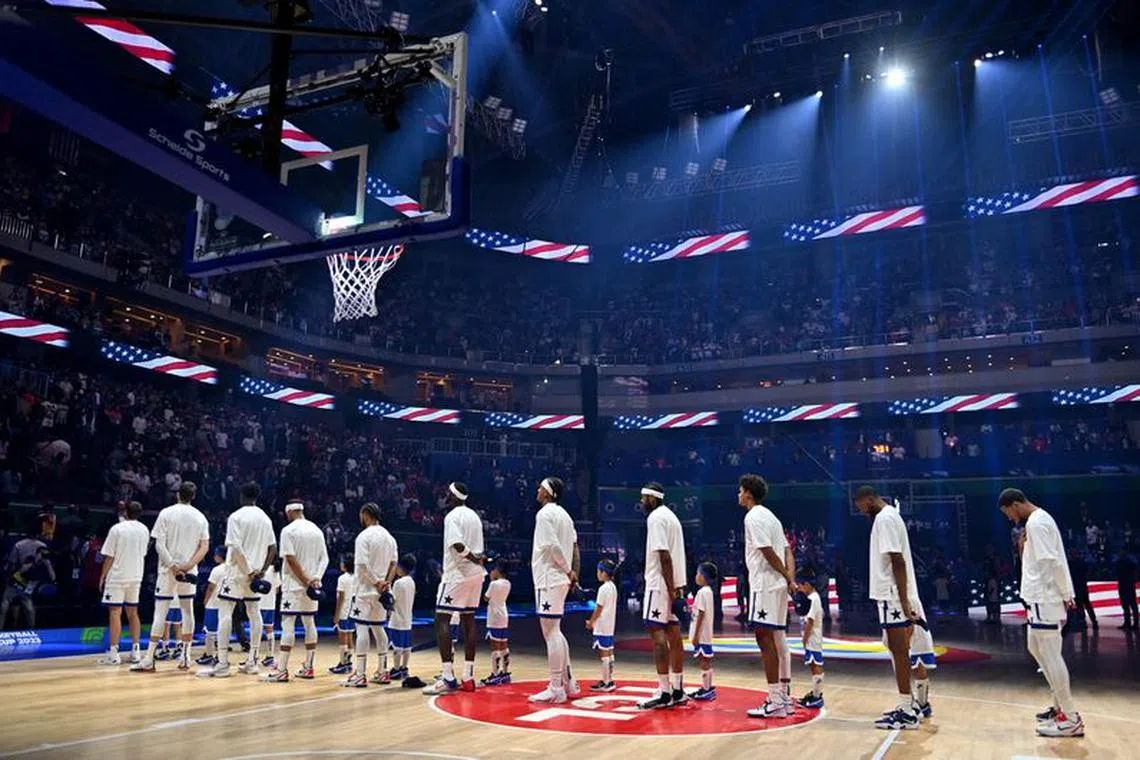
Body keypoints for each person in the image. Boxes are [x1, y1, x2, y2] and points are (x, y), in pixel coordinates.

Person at [999, 489, 1084, 737]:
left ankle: (1070, 717)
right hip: (1039, 598)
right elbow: (1041, 560)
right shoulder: (1038, 522)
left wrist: (1064, 595)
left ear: (1015, 504)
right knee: (1037, 650)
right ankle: (1060, 707)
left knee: (1051, 655)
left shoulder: (1037, 522)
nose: (1010, 518)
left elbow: (1050, 562)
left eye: (1008, 513)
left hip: (1044, 598)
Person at [852, 486, 936, 730]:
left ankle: (907, 709)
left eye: (859, 505)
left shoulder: (885, 518)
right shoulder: (890, 516)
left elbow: (897, 561)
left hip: (894, 595)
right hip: (896, 595)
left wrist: (903, 599)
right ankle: (913, 703)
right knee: (903, 648)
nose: (859, 510)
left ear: (868, 499)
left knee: (900, 651)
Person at [199, 482, 276, 678]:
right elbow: (272, 549)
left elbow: (237, 548)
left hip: (236, 572)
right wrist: (261, 571)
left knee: (225, 613)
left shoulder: (236, 516)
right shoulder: (265, 518)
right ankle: (253, 661)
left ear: (242, 495)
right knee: (254, 612)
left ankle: (223, 663)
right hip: (256, 574)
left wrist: (249, 570)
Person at [132, 481, 209, 672]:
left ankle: (149, 658)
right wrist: (189, 566)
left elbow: (159, 544)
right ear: (194, 496)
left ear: (177, 494)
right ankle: (185, 656)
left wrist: (174, 567)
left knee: (160, 613)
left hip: (168, 571)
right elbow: (204, 547)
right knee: (187, 611)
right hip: (189, 571)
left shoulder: (166, 513)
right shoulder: (200, 517)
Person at [739, 474, 797, 719]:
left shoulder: (753, 516)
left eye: (741, 491)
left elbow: (767, 551)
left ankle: (775, 700)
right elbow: (787, 550)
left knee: (765, 639)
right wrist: (789, 577)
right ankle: (783, 697)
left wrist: (785, 574)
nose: (739, 495)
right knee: (776, 639)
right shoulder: (772, 516)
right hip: (778, 585)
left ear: (749, 494)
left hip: (765, 584)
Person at [423, 482, 487, 695]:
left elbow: (457, 545)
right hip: (476, 575)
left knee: (441, 619)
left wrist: (473, 556)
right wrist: (477, 559)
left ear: (453, 496)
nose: (446, 496)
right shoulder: (475, 516)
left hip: (457, 573)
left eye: (448, 493)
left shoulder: (452, 517)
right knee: (469, 620)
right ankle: (468, 677)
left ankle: (448, 676)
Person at [527, 476, 581, 704]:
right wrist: (574, 573)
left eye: (540, 486)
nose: (537, 489)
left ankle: (556, 687)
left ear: (548, 493)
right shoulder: (566, 517)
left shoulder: (545, 514)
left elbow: (552, 546)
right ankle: (569, 683)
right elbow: (575, 547)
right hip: (559, 579)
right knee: (556, 630)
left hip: (549, 578)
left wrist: (569, 571)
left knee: (551, 633)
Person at [636, 483, 689, 710]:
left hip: (660, 584)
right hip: (675, 583)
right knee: (674, 636)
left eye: (643, 498)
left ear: (652, 498)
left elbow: (664, 556)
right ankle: (677, 689)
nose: (641, 502)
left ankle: (664, 691)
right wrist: (676, 588)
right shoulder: (672, 517)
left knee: (657, 634)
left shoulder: (656, 518)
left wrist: (668, 588)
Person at [265, 501, 329, 682]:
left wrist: (305, 580)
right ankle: (309, 667)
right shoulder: (317, 530)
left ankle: (282, 669)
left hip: (294, 586)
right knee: (310, 623)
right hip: (312, 587)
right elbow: (324, 558)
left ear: (290, 512)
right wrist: (316, 578)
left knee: (288, 624)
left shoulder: (288, 531)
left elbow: (291, 559)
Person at [344, 502, 398, 688]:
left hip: (365, 590)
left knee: (362, 629)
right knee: (378, 629)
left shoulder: (363, 536)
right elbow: (393, 563)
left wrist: (376, 582)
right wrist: (386, 583)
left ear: (365, 514)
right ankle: (382, 672)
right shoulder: (389, 537)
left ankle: (360, 673)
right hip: (383, 592)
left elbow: (362, 567)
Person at [97, 501, 148, 666]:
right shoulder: (144, 529)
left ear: (125, 512)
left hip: (118, 576)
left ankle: (113, 653)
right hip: (136, 575)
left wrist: (103, 575)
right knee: (133, 613)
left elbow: (109, 556)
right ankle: (136, 652)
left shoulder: (117, 529)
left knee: (115, 612)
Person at [586, 558, 617, 692]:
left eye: (599, 571)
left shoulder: (603, 589)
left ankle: (606, 682)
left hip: (602, 624)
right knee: (609, 651)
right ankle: (609, 679)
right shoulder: (613, 587)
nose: (597, 574)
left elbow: (598, 608)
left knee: (604, 653)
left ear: (604, 573)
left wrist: (591, 621)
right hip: (610, 624)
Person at [688, 561, 717, 702]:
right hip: (706, 633)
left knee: (704, 661)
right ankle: (707, 687)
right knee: (705, 660)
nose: (696, 576)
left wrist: (696, 635)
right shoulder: (709, 592)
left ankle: (707, 689)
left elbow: (700, 614)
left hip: (702, 634)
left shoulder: (701, 592)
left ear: (703, 576)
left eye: (698, 573)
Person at [798, 569, 825, 709]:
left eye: (802, 586)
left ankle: (817, 696)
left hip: (813, 638)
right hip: (812, 638)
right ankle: (815, 693)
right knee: (813, 665)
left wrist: (805, 639)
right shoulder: (812, 598)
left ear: (807, 584)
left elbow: (810, 621)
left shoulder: (814, 599)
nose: (801, 589)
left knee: (816, 665)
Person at [482, 561, 512, 686]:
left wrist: (491, 580)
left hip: (494, 616)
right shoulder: (508, 583)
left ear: (497, 570)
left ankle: (495, 674)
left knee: (495, 646)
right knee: (504, 644)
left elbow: (486, 598)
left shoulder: (493, 584)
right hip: (504, 615)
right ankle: (505, 673)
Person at [196, 546, 227, 667]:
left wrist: (205, 600)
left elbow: (210, 587)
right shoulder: (232, 569)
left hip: (214, 604)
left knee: (210, 632)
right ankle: (221, 656)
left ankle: (210, 655)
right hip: (226, 604)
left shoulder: (217, 570)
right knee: (222, 631)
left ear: (220, 556)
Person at [388, 554, 417, 681]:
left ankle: (396, 669)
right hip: (407, 618)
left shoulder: (398, 583)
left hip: (397, 619)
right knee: (406, 647)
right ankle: (404, 668)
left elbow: (392, 600)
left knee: (397, 647)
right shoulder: (411, 582)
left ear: (400, 567)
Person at [330, 553, 355, 674]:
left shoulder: (342, 579)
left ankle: (343, 663)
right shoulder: (357, 577)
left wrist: (336, 615)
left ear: (345, 565)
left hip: (344, 611)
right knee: (350, 637)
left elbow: (341, 598)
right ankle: (349, 663)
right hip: (354, 612)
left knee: (343, 637)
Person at [258, 561, 281, 670]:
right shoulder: (275, 570)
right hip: (270, 604)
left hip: (259, 603)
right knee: (269, 629)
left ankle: (253, 657)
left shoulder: (261, 568)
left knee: (256, 629)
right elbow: (277, 590)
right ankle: (270, 656)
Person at [1068, 549, 1096, 632]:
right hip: (1083, 586)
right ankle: (1093, 622)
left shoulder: (1072, 563)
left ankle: (1083, 623)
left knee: (1081, 605)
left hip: (1077, 587)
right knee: (1087, 604)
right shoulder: (1082, 563)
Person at [1117, 550, 1138, 631]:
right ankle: (1129, 623)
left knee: (1130, 605)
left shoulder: (1124, 563)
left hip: (1127, 585)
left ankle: (1132, 624)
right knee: (1127, 605)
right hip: (1126, 585)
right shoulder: (1130, 562)